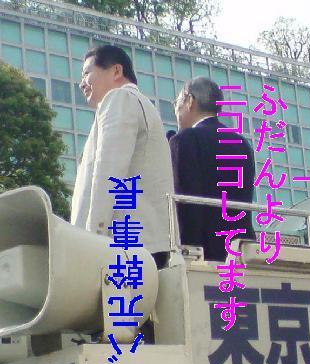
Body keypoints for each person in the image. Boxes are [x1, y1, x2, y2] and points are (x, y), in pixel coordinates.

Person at [72, 45, 173, 269]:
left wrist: (91, 241)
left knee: (123, 295)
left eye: (87, 73)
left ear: (116, 71)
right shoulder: (135, 103)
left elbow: (108, 173)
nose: (82, 83)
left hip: (124, 247)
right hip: (138, 245)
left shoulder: (120, 98)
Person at [169, 77, 255, 261]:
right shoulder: (241, 143)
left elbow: (185, 205)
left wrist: (185, 252)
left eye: (177, 102)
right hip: (240, 250)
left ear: (190, 101)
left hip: (203, 252)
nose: (175, 109)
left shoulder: (184, 140)